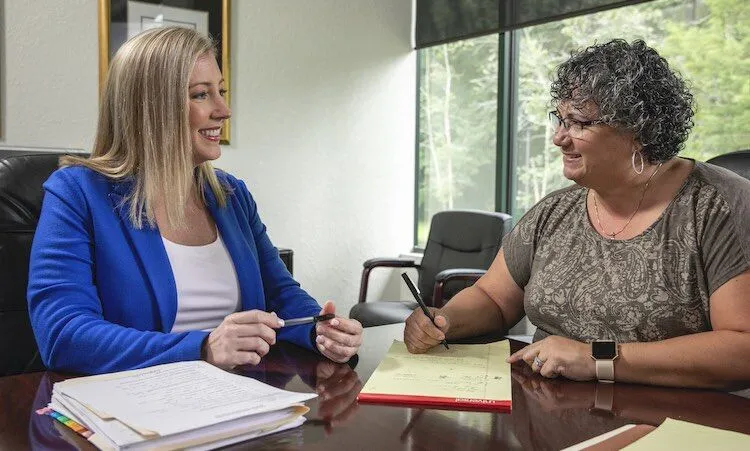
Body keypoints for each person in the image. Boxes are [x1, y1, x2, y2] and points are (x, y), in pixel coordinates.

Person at [404, 39, 750, 389]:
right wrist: (445, 319)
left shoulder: (718, 207)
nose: (558, 138)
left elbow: (743, 347)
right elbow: (493, 298)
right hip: (545, 416)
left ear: (639, 131)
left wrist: (596, 358)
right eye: (560, 119)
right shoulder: (555, 211)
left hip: (667, 423)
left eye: (579, 123)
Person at [27, 26, 362, 375]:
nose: (224, 110)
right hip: (135, 407)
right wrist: (202, 346)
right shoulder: (76, 193)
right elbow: (63, 336)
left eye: (221, 91)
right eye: (202, 95)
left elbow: (281, 295)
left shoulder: (233, 196)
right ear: (151, 107)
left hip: (239, 398)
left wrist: (320, 330)